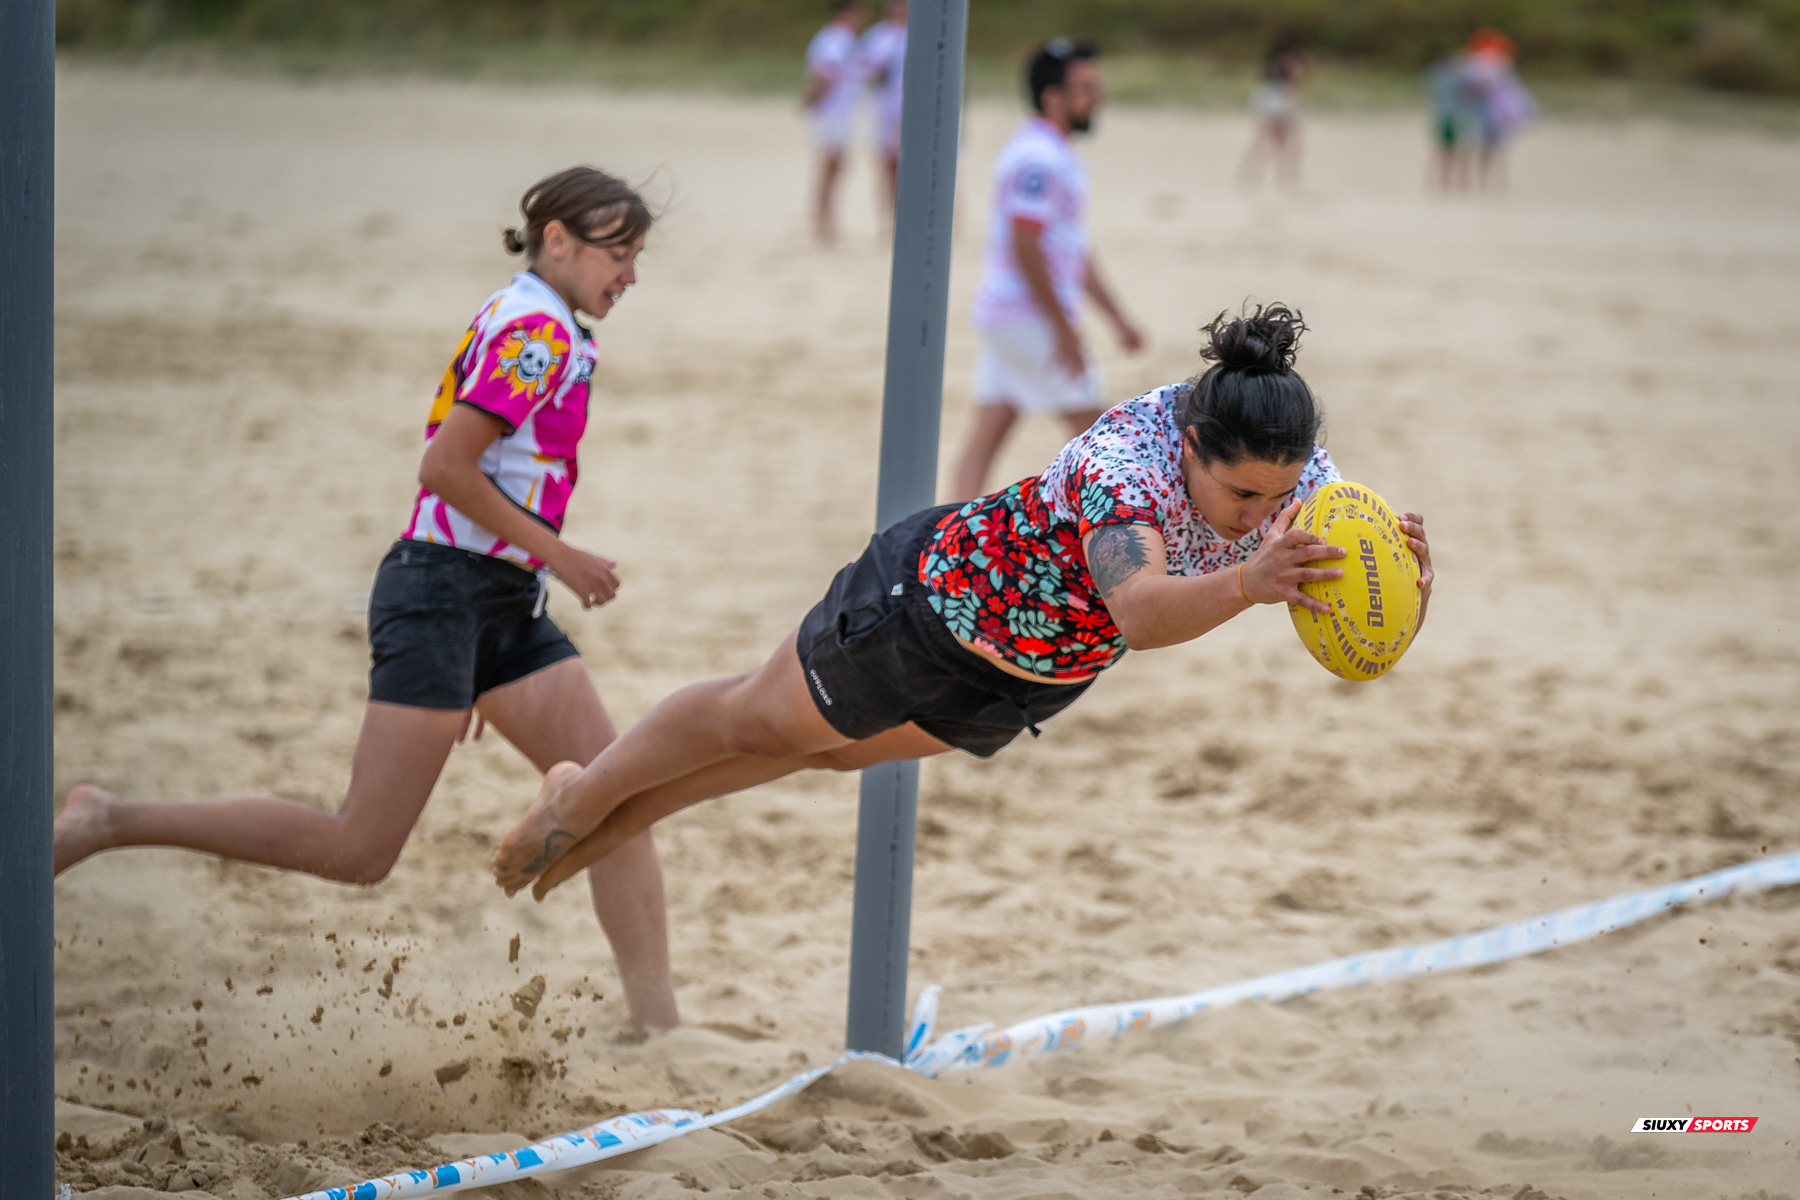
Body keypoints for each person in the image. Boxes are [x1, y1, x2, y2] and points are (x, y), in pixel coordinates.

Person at [490, 305, 1435, 901]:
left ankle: (611, 817)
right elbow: (1142, 613)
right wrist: (1246, 581)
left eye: (1279, 497)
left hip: (1033, 678)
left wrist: (1401, 584)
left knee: (805, 756)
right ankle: (583, 800)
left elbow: (1357, 614)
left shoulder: (1291, 460)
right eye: (1242, 499)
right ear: (1190, 443)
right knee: (752, 716)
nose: (1262, 517)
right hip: (930, 610)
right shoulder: (1125, 469)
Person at [53, 167, 682, 1034]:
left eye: (639, 256)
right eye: (620, 253)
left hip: (501, 603)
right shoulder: (534, 330)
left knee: (614, 797)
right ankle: (109, 820)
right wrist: (563, 558)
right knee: (360, 849)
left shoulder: (546, 320)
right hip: (444, 593)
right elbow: (445, 468)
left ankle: (659, 1034)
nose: (631, 275)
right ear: (559, 239)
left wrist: (520, 595)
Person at [948, 38, 1145, 504]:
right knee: (1103, 439)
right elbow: (1025, 241)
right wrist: (1061, 325)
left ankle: (943, 536)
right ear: (1053, 97)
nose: (1097, 95)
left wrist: (1117, 318)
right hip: (1027, 316)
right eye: (1085, 86)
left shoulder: (1051, 152)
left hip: (1011, 315)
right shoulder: (1037, 157)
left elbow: (1072, 252)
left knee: (990, 428)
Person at [804, 0, 870, 244]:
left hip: (840, 113)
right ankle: (824, 225)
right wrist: (808, 102)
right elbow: (824, 74)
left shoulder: (845, 40)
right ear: (848, 13)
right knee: (830, 168)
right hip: (833, 114)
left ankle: (826, 222)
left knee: (835, 168)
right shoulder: (835, 39)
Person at [1237, 33, 1310, 190]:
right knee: (1286, 141)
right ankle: (1285, 177)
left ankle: (1251, 175)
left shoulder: (1275, 59)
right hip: (1279, 101)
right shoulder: (1289, 60)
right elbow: (1297, 80)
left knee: (1265, 140)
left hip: (1268, 98)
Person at [859, 0, 908, 218]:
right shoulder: (875, 36)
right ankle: (891, 218)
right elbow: (864, 74)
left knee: (914, 166)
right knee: (888, 166)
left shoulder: (922, 32)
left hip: (913, 109)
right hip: (886, 108)